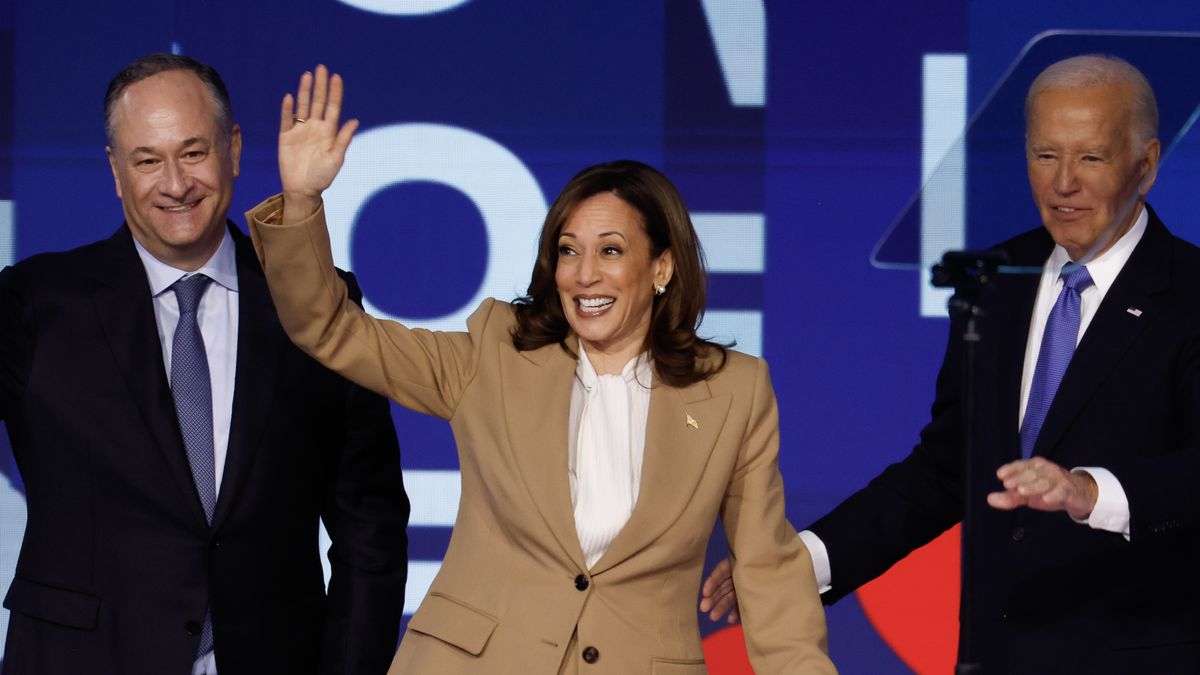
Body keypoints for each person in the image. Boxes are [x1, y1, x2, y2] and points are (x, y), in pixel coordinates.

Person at [245, 65, 835, 674]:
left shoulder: (733, 390)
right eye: (568, 250)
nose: (584, 275)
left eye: (610, 250)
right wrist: (302, 202)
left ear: (661, 268)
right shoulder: (496, 352)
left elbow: (767, 573)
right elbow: (332, 329)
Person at [701, 53, 1200, 671]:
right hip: (993, 655)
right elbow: (949, 468)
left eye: (1091, 157)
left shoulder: (1190, 294)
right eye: (1046, 155)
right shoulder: (995, 280)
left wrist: (1086, 490)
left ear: (1147, 164)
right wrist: (800, 561)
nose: (1063, 182)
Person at [0, 53, 410, 675]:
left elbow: (370, 527)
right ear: (116, 170)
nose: (175, 183)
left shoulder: (318, 301)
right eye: (147, 160)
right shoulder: (34, 303)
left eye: (193, 153)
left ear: (235, 149)